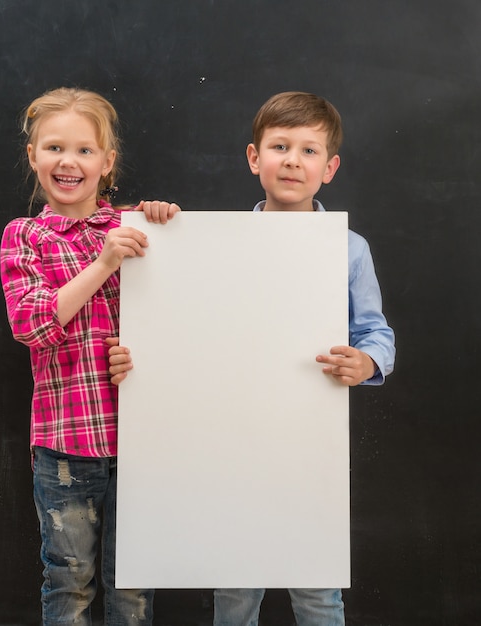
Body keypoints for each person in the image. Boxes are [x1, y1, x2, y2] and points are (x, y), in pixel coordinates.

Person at [210, 91, 394, 625]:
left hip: (312, 443)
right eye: (280, 146)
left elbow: (375, 331)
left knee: (316, 589)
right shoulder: (219, 243)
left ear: (329, 168)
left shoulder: (350, 248)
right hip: (236, 437)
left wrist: (367, 362)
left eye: (309, 151)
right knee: (236, 585)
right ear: (254, 158)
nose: (292, 160)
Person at [0, 86, 179, 626]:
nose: (68, 162)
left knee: (133, 589)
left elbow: (180, 323)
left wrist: (167, 221)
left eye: (84, 150)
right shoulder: (24, 237)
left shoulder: (138, 228)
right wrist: (103, 263)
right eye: (54, 148)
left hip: (144, 438)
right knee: (69, 581)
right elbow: (32, 325)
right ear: (33, 156)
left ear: (107, 161)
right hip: (66, 446)